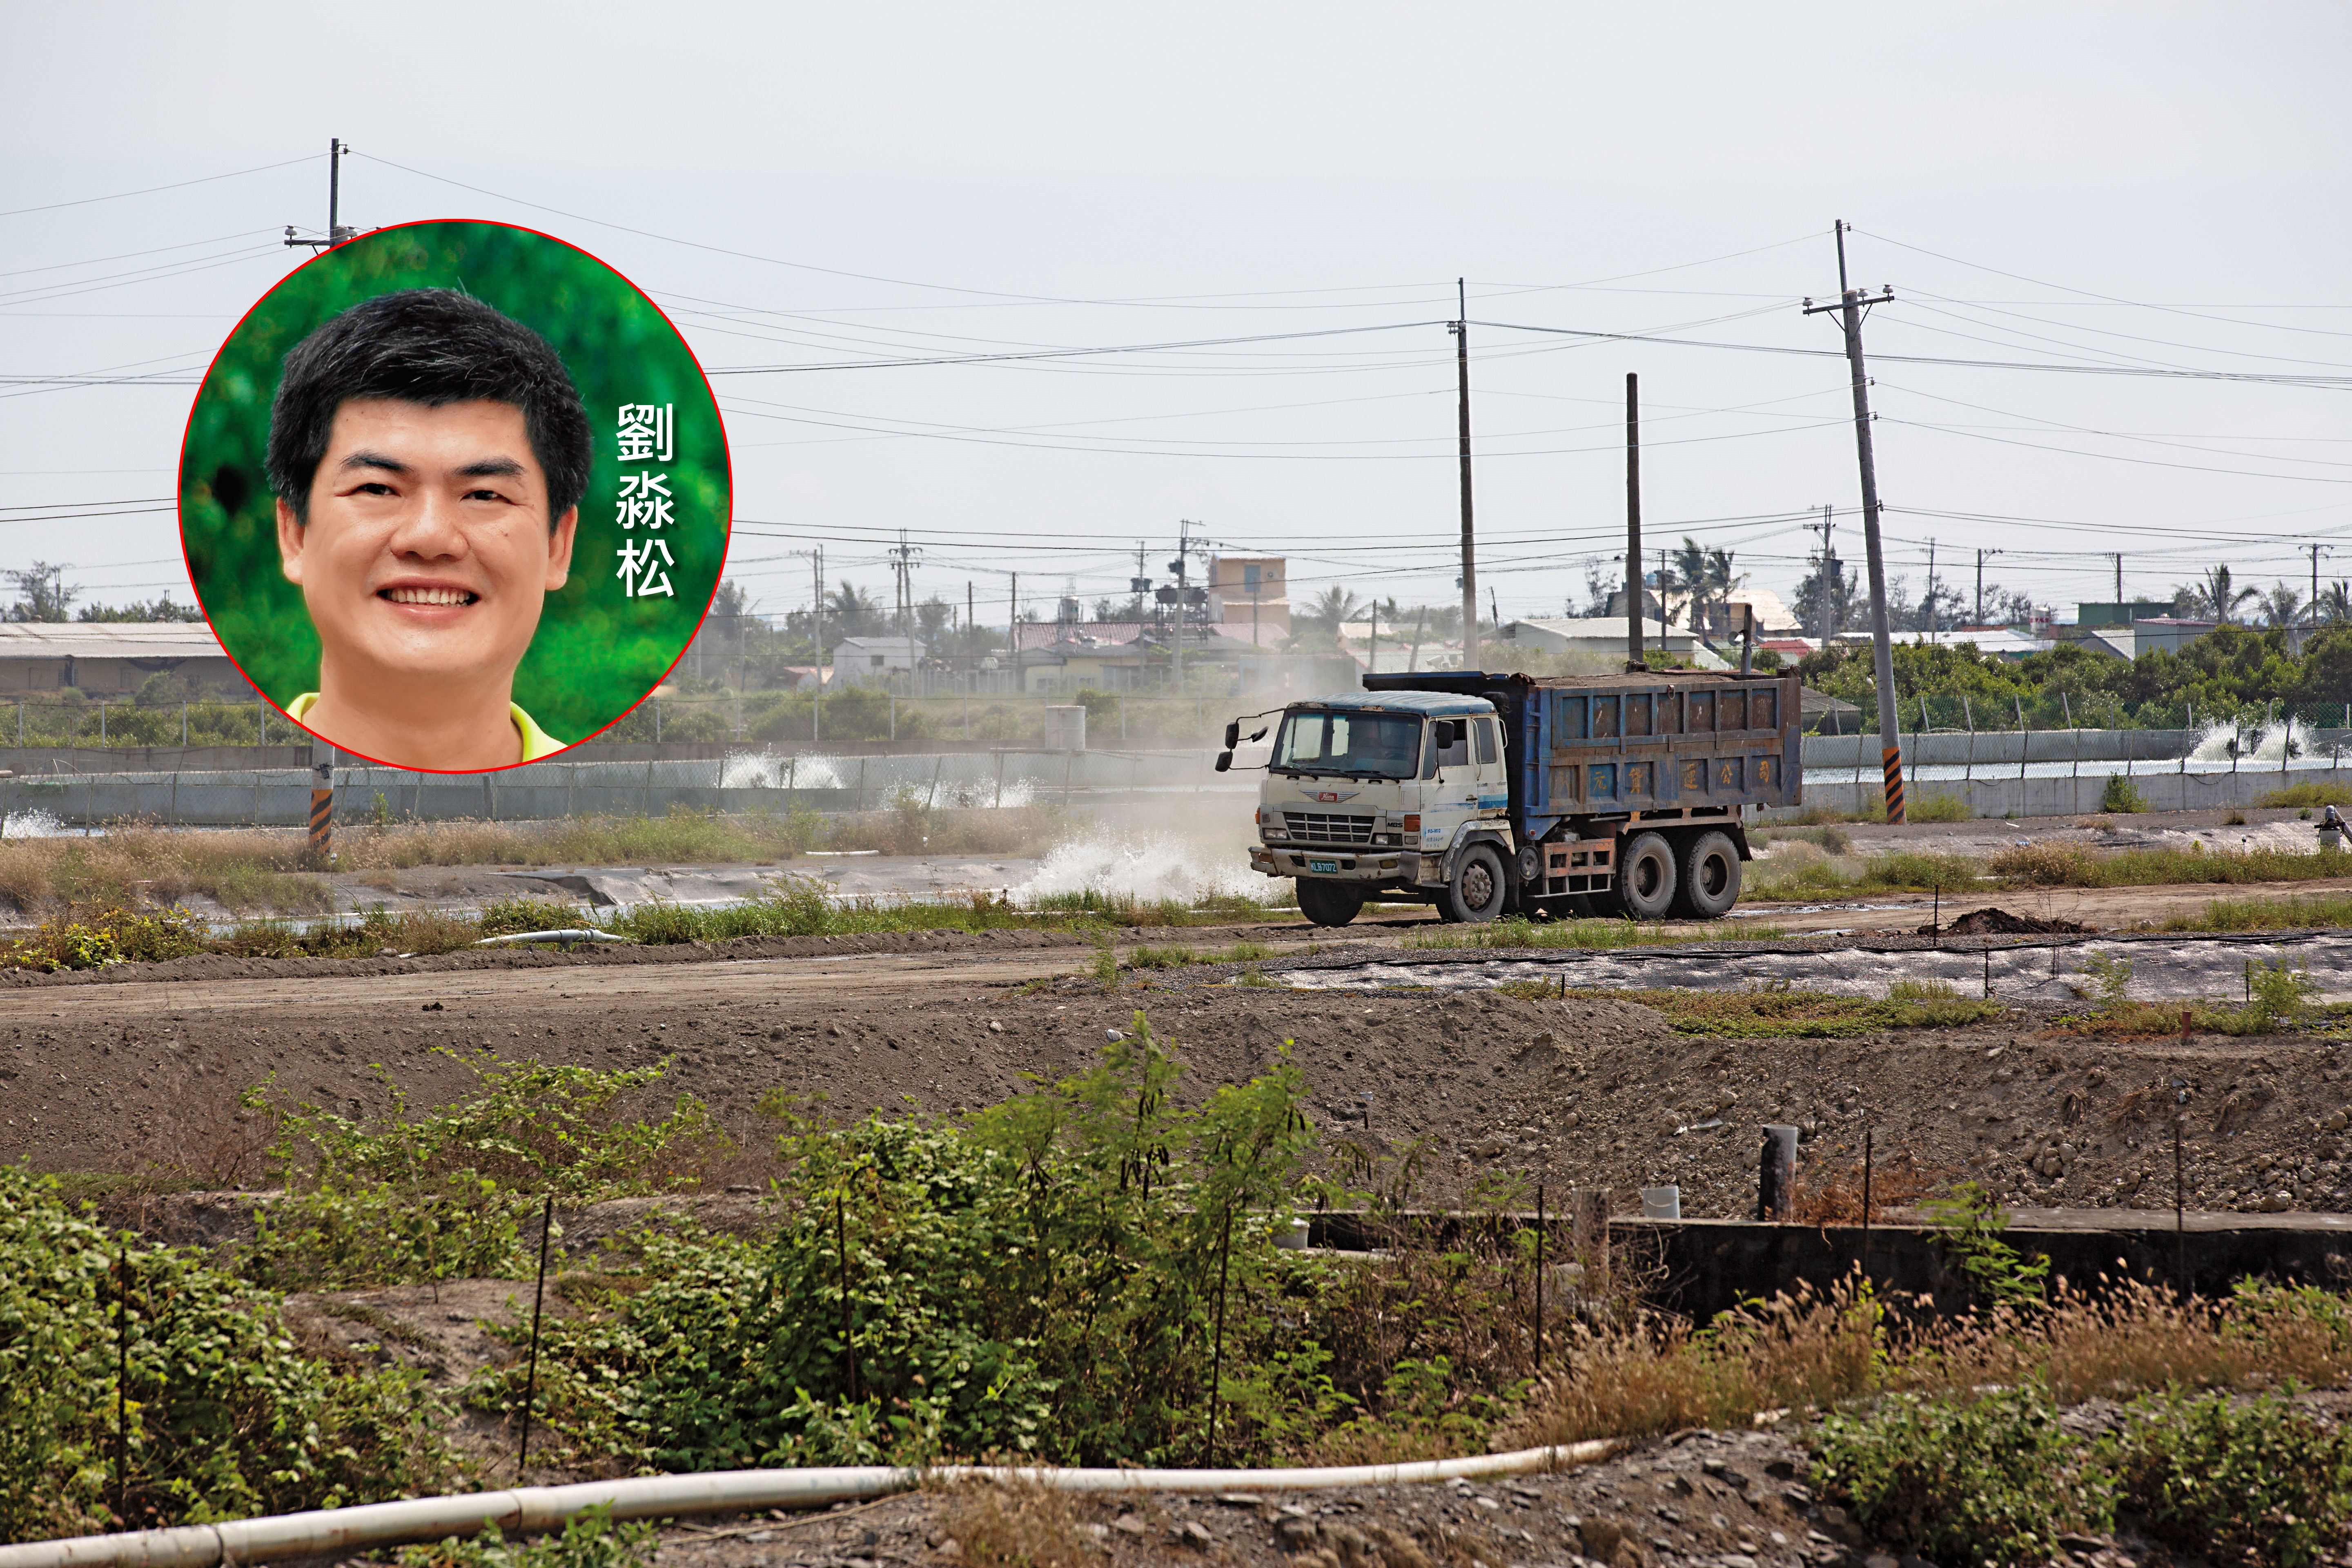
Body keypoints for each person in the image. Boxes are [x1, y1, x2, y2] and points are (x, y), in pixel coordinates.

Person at [265, 288, 589, 769]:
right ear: (295, 534)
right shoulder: (232, 789)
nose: (431, 538)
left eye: (484, 495)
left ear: (557, 546)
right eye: (377, 489)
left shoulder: (605, 816)